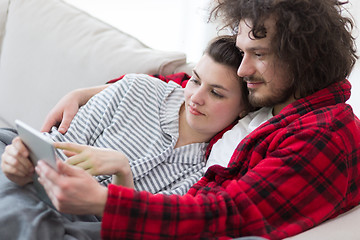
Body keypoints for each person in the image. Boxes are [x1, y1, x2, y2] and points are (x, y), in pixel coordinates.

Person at [27, 0, 360, 239]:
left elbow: (231, 214)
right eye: (243, 53)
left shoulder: (323, 134)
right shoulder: (270, 98)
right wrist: (88, 93)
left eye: (258, 55)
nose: (243, 70)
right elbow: (188, 86)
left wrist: (107, 201)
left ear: (302, 58)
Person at [0, 35, 254, 239]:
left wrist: (123, 173)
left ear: (243, 108)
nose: (196, 98)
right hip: (42, 182)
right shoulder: (138, 89)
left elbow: (137, 226)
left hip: (87, 223)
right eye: (195, 81)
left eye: (216, 93)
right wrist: (22, 159)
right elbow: (54, 145)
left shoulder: (207, 172)